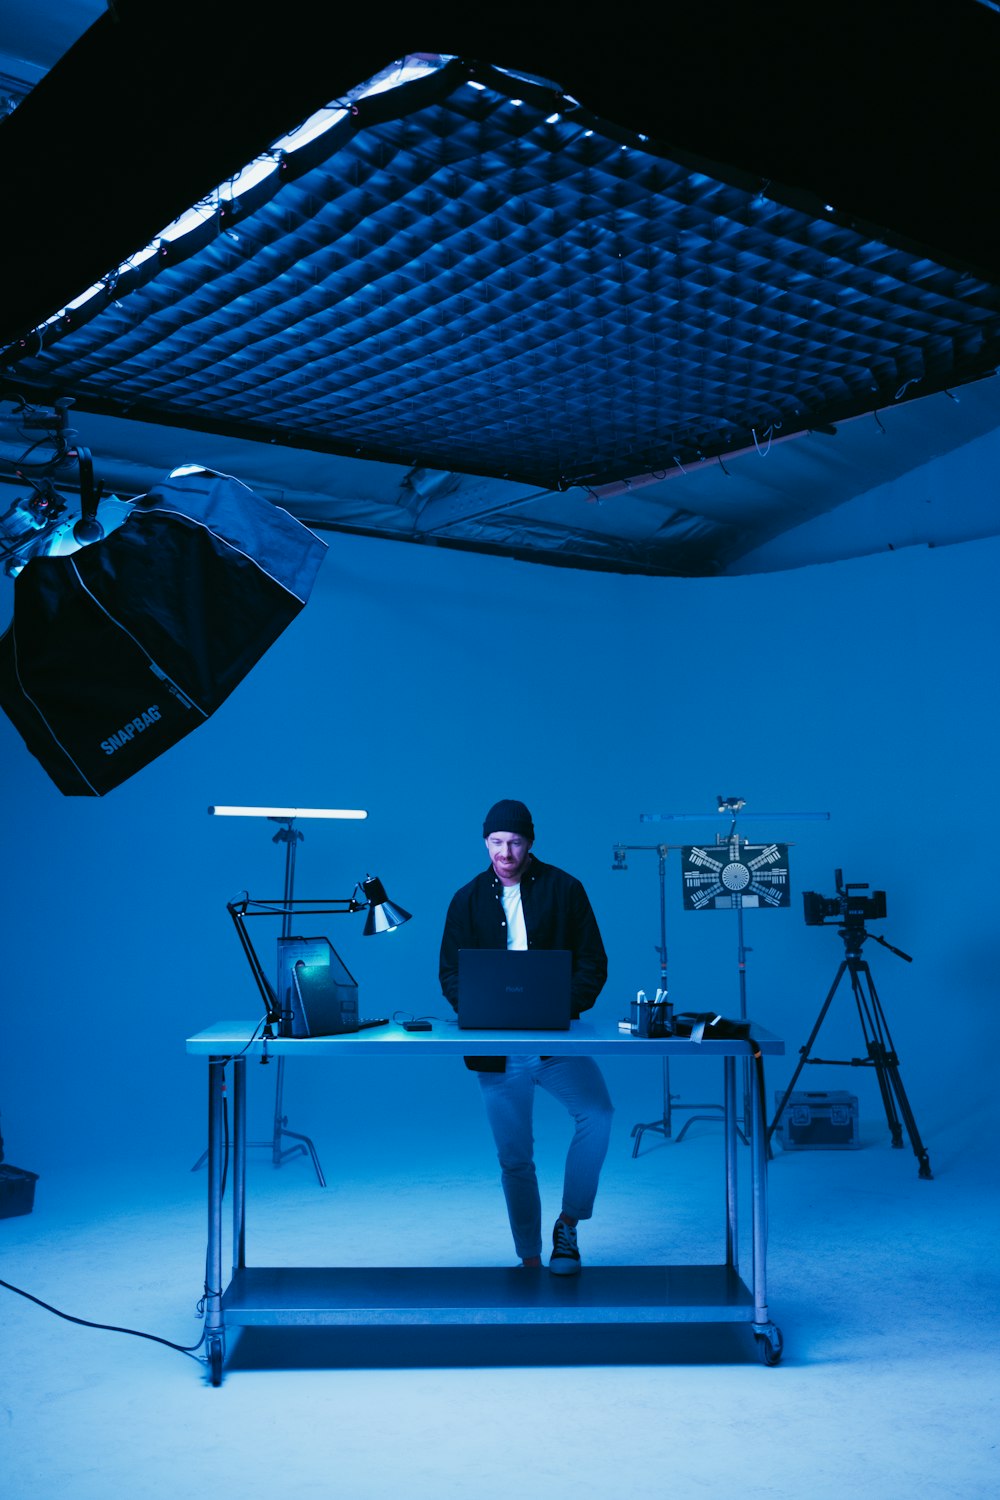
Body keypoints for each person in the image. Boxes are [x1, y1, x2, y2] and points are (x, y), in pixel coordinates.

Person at [439, 798, 613, 1274]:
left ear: (530, 842)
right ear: (485, 842)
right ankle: (530, 1258)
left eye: (514, 842)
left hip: (556, 1041)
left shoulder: (566, 889)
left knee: (597, 1114)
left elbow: (594, 963)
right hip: (495, 1049)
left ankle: (569, 1224)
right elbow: (450, 973)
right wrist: (477, 1008)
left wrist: (557, 1008)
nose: (505, 852)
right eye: (496, 842)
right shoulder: (466, 898)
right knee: (515, 1158)